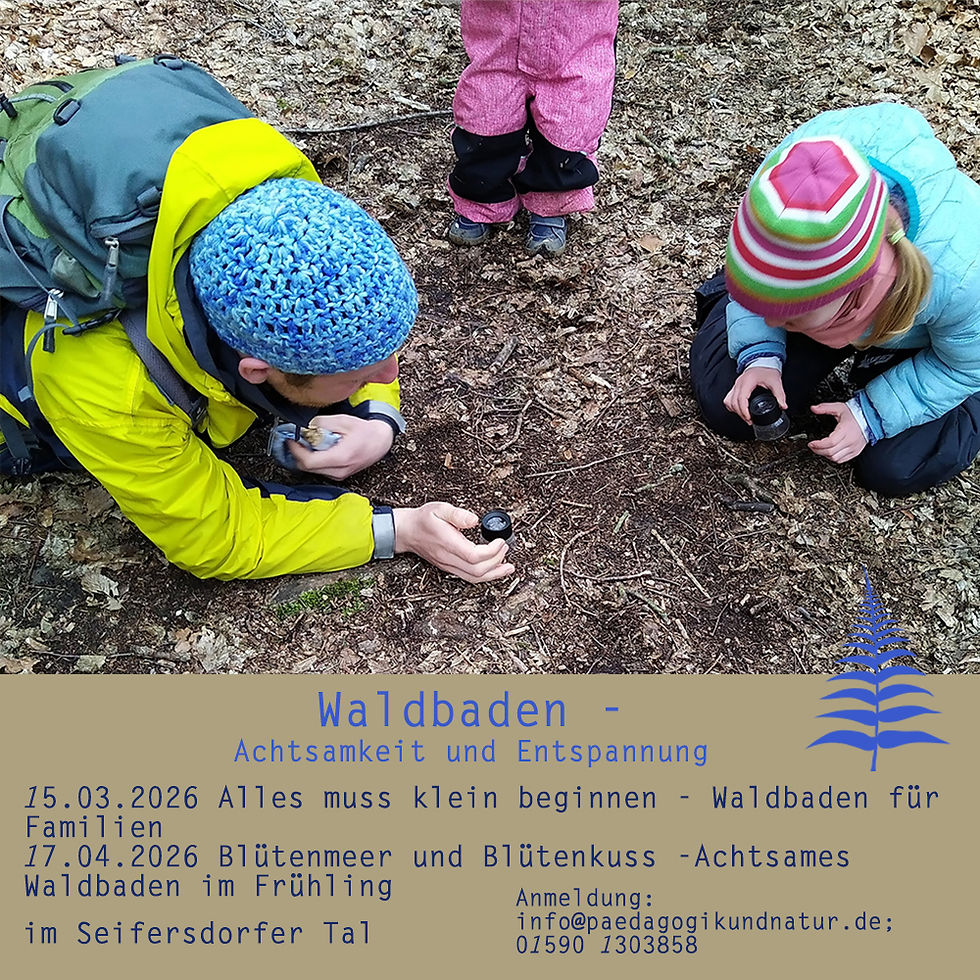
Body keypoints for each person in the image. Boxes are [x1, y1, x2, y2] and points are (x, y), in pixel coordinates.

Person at [0, 119, 514, 584]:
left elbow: (358, 331)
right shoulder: (111, 388)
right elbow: (216, 536)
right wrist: (396, 530)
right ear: (255, 368)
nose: (389, 375)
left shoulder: (285, 208)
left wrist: (378, 417)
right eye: (359, 377)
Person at [689, 103, 980, 496]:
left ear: (853, 296)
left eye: (789, 318)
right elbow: (766, 301)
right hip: (830, 300)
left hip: (954, 351)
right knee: (729, 406)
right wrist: (759, 356)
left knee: (891, 468)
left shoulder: (962, 272)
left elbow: (961, 367)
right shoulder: (782, 185)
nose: (774, 322)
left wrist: (870, 417)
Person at [446, 0, 619, 257]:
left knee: (568, 123)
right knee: (486, 115)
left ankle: (551, 203)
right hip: (499, 33)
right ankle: (482, 199)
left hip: (574, 37)